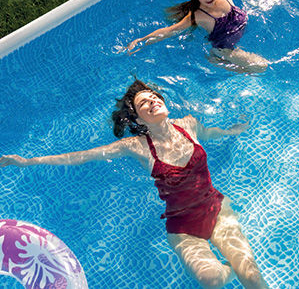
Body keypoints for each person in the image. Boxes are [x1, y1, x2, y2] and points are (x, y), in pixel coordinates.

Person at [0, 80, 269, 289]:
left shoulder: (189, 124)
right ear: (139, 120)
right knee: (211, 280)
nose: (153, 101)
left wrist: (232, 132)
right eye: (144, 104)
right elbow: (82, 156)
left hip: (216, 209)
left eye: (154, 97)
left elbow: (210, 134)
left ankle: (237, 266)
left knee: (252, 276)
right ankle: (227, 267)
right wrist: (27, 162)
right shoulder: (138, 147)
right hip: (183, 227)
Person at [125, 0, 279, 73]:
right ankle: (216, 58)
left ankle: (216, 60)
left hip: (241, 33)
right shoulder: (198, 15)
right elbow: (169, 30)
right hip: (226, 49)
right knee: (261, 67)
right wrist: (141, 41)